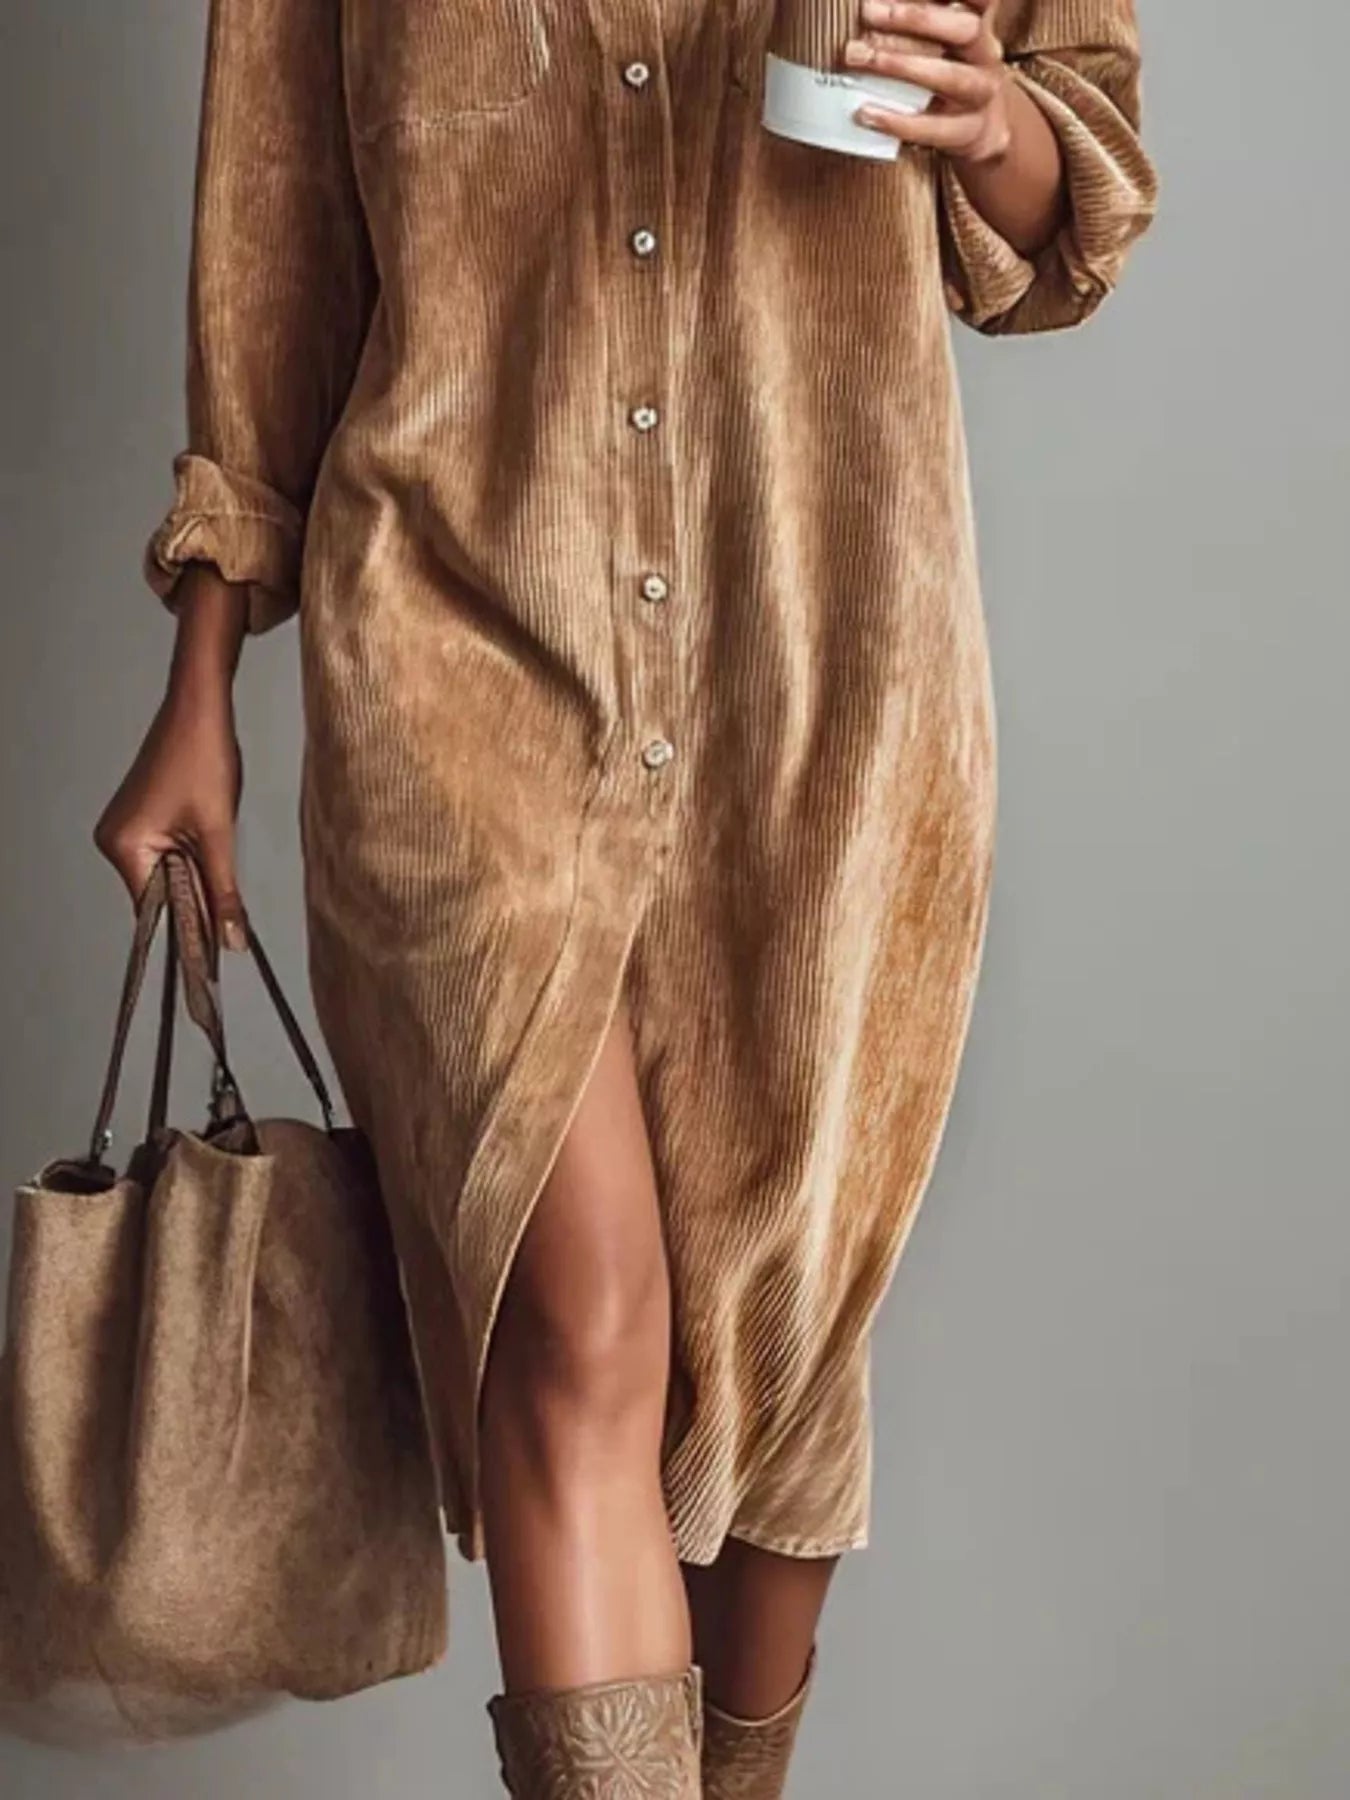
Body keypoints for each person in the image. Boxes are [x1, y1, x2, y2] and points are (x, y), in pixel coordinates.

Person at [95, 1, 1158, 1794]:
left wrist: (990, 127)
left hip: (819, 651)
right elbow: (269, 247)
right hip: (450, 634)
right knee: (580, 1318)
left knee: (776, 1371)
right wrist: (199, 685)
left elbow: (1071, 192)